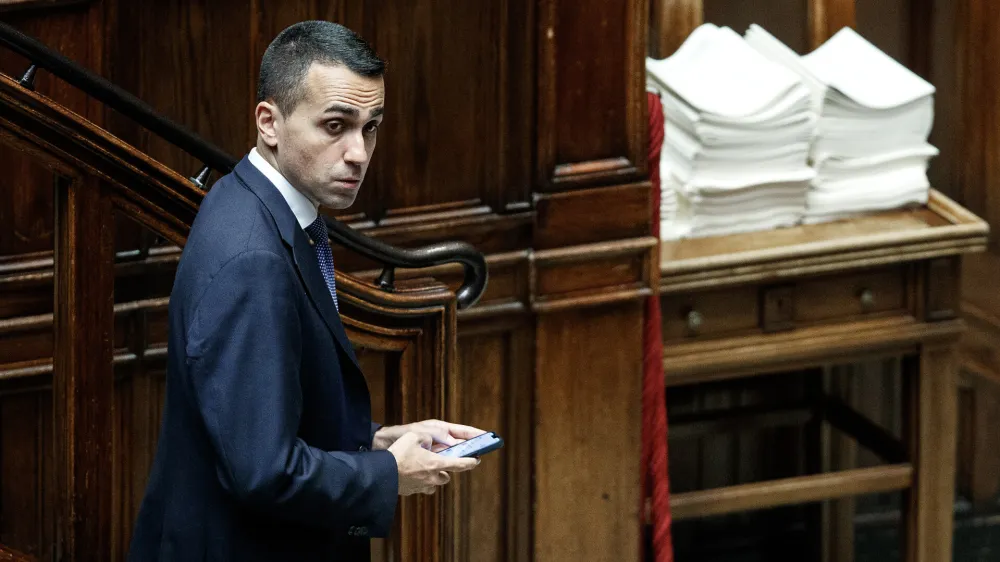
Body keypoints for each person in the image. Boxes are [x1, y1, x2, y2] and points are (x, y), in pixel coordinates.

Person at [127, 20, 482, 562]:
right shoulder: (253, 258)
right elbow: (263, 472)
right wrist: (389, 473)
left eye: (370, 127)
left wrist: (377, 442)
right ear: (269, 122)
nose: (359, 152)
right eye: (335, 125)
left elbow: (258, 417)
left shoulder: (248, 201)